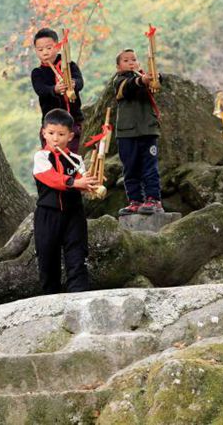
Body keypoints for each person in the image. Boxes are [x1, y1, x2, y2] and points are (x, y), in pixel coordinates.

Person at [32, 109, 98, 294]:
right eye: (51, 133)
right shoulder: (41, 157)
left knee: (77, 255)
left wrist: (90, 184)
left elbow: (82, 184)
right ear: (43, 132)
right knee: (47, 259)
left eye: (61, 134)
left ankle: (79, 295)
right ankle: (50, 299)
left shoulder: (76, 159)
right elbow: (51, 178)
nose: (55, 139)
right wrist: (76, 182)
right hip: (47, 214)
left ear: (70, 136)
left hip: (73, 213)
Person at [114, 49, 165, 216]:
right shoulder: (119, 81)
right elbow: (127, 88)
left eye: (134, 59)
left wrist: (154, 77)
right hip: (126, 133)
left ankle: (153, 199)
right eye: (126, 60)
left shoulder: (147, 79)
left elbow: (157, 83)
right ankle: (135, 200)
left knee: (150, 167)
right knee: (130, 168)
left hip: (147, 130)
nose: (131, 63)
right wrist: (141, 80)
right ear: (118, 67)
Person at [31, 28, 85, 152]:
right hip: (52, 122)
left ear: (58, 47)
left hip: (74, 120)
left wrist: (73, 83)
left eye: (49, 48)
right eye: (40, 50)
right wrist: (54, 89)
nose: (45, 52)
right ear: (36, 51)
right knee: (52, 155)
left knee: (73, 154)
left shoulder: (70, 65)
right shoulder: (38, 72)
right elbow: (40, 89)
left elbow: (80, 82)